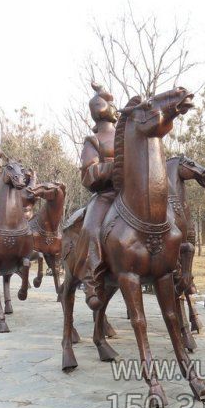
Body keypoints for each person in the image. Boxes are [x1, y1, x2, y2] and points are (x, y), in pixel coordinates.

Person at [76, 83, 118, 310]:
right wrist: (111, 168)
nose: (113, 107)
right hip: (106, 195)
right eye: (108, 103)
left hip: (131, 193)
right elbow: (87, 173)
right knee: (91, 228)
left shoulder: (126, 136)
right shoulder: (93, 141)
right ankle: (91, 280)